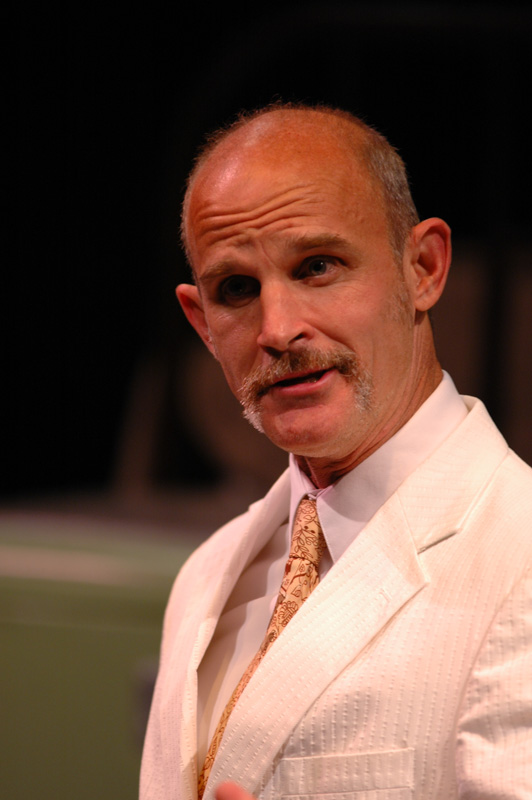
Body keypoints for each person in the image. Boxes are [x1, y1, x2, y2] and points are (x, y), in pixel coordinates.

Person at [140, 103, 532, 800]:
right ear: (201, 323)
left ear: (423, 268)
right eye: (237, 289)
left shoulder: (519, 558)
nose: (277, 329)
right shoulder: (205, 576)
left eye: (317, 266)